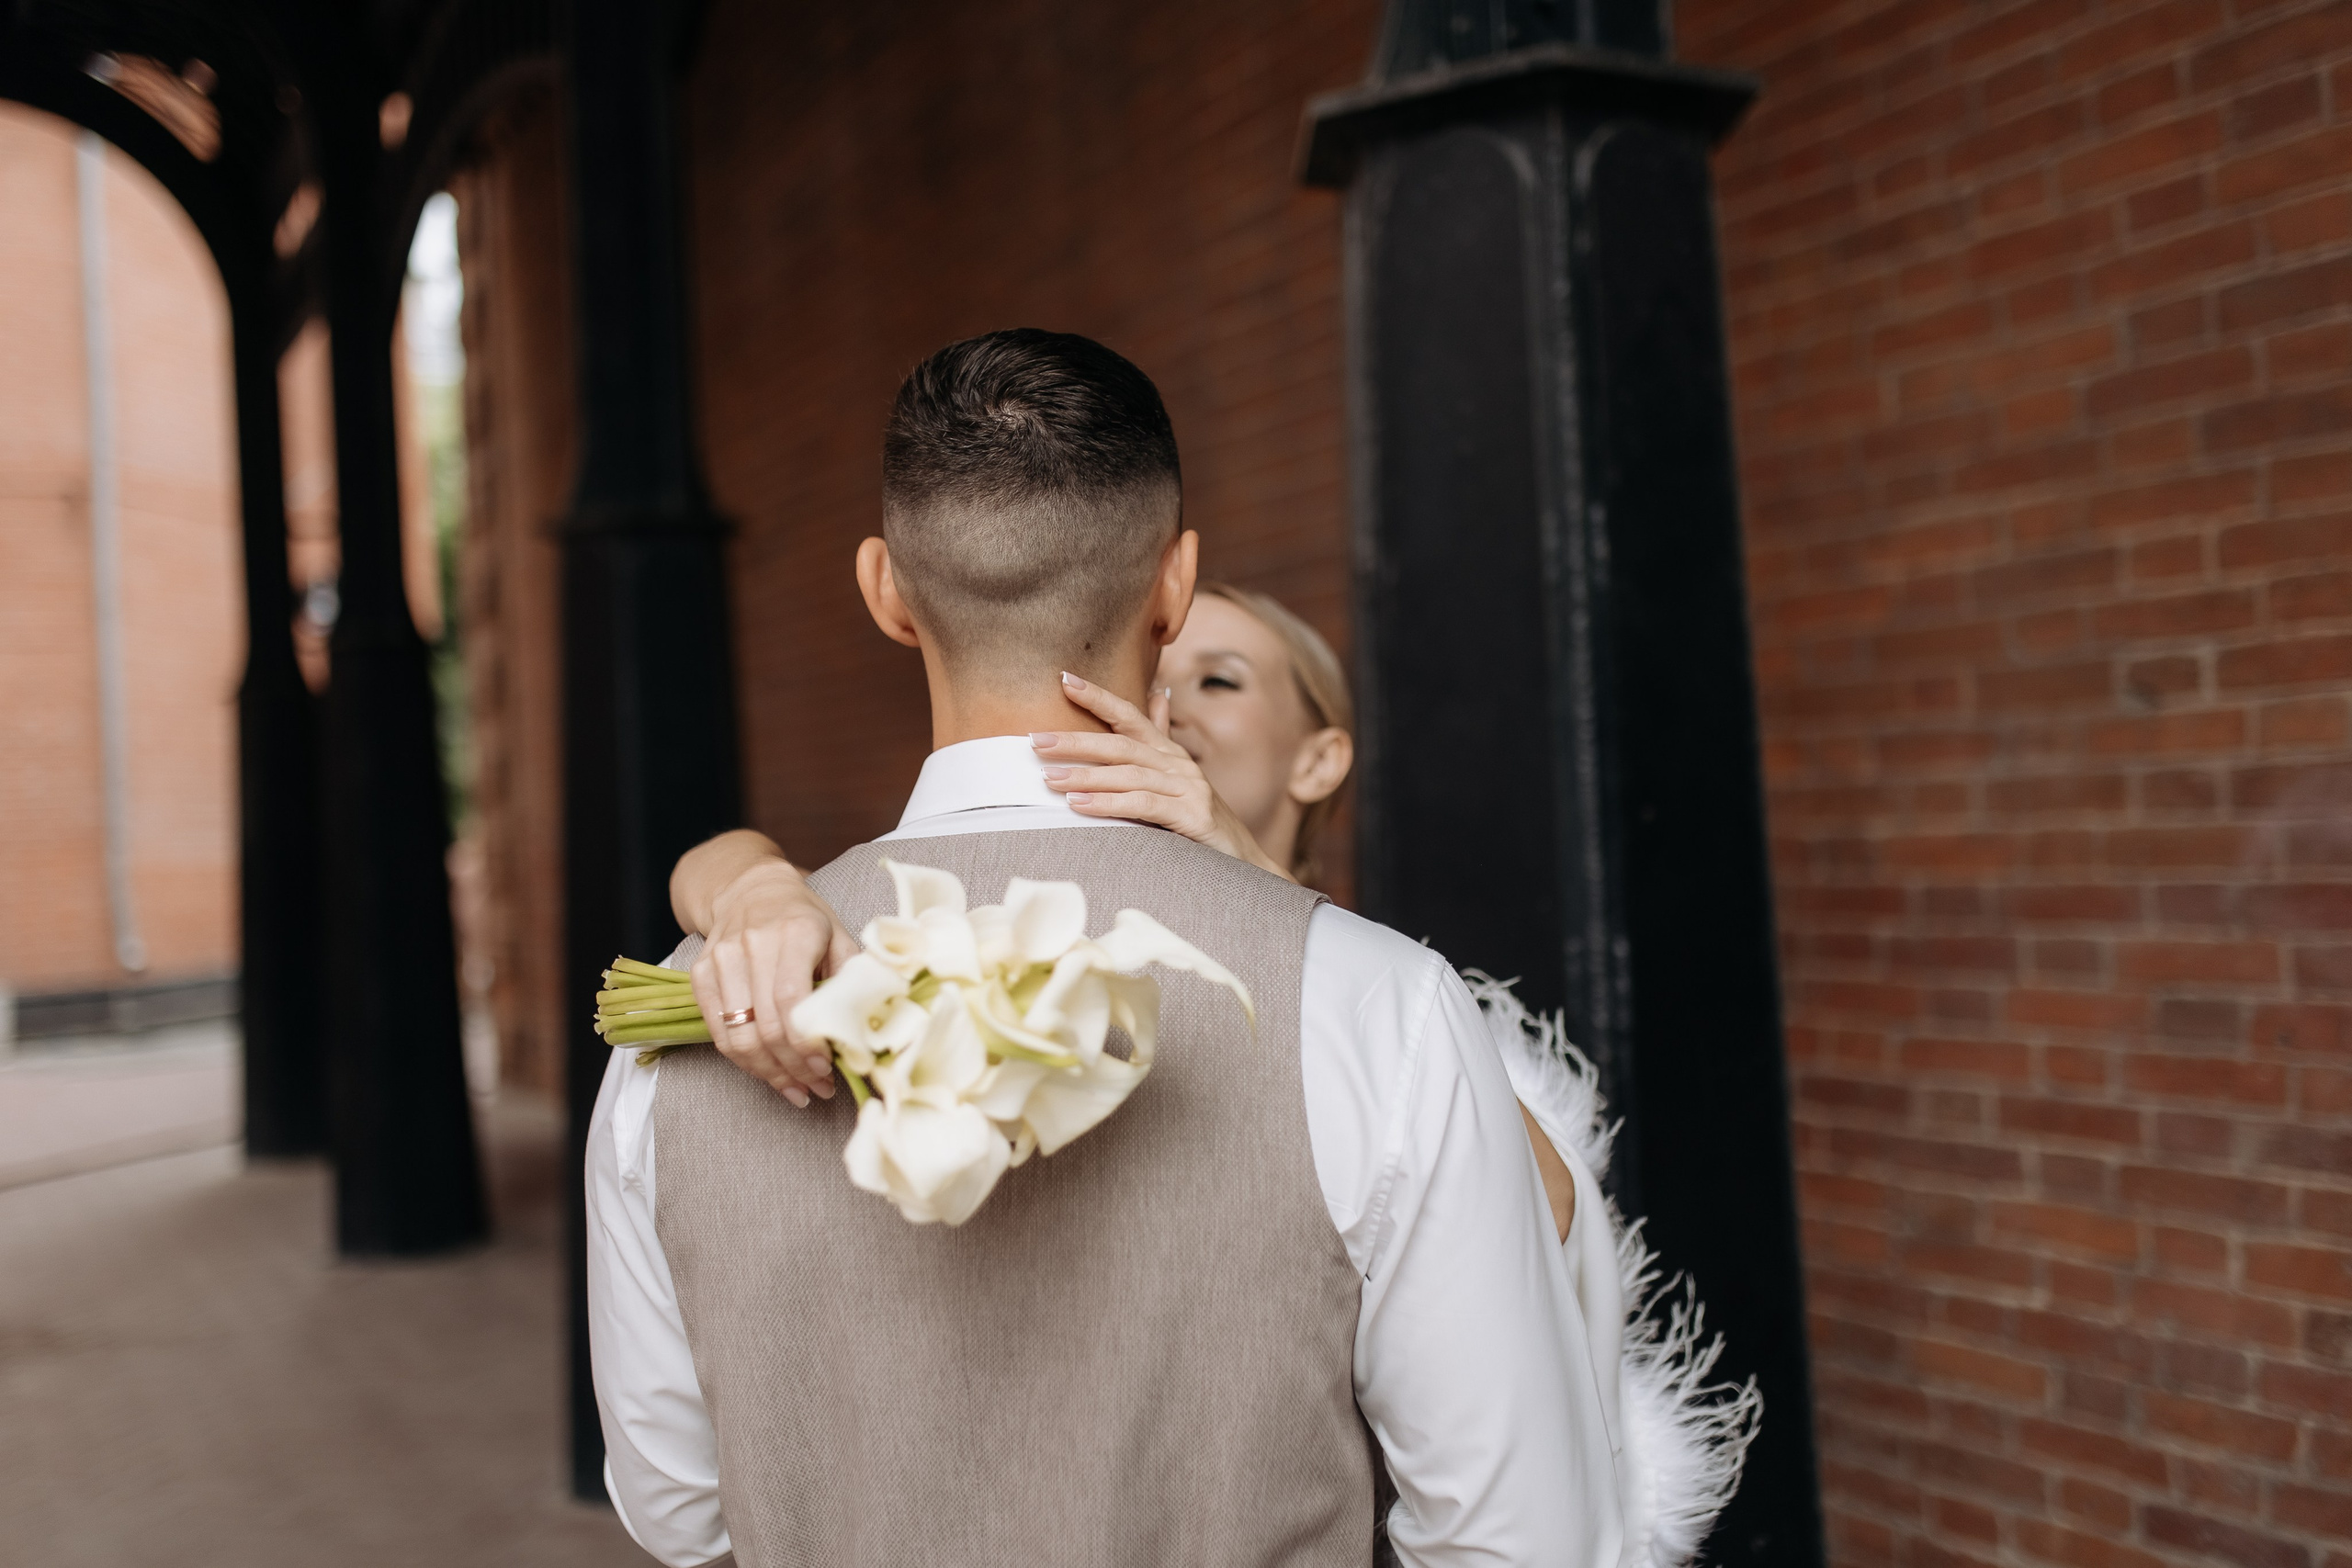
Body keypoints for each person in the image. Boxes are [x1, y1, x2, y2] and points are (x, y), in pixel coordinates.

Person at [587, 329, 1622, 1567]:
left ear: (884, 590)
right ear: (1174, 588)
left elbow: (681, 1511)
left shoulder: (694, 1027)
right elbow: (1524, 1538)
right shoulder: (1377, 1004)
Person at [669, 579, 1760, 1568]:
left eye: (1220, 680)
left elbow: (1553, 1221)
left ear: (1319, 759)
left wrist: (1252, 872)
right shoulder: (1046, 947)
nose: (1168, 705)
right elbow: (720, 873)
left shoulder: (1398, 1014)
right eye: (1162, 669)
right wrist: (750, 879)